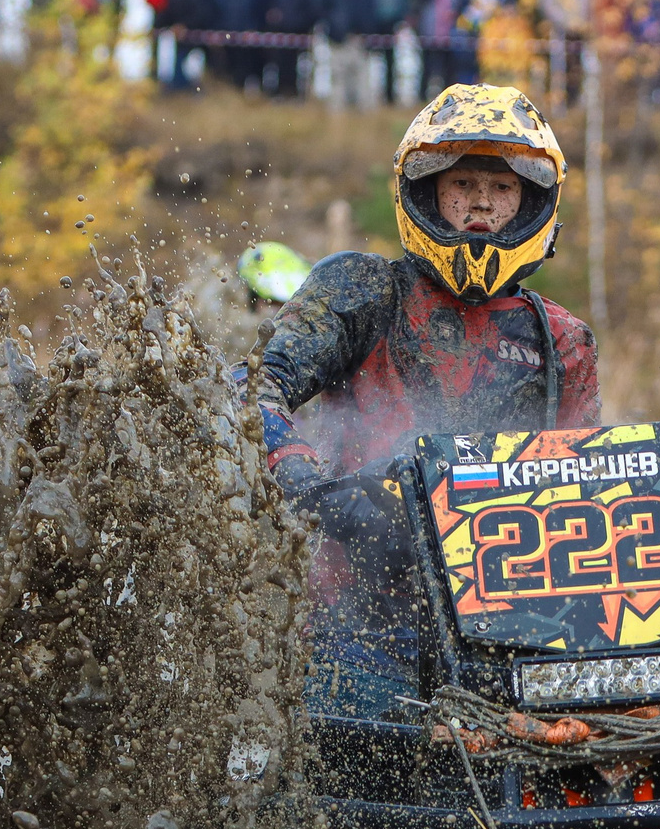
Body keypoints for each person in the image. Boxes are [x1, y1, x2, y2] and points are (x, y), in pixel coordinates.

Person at [249, 87, 599, 720]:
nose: (482, 201)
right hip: (352, 619)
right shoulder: (363, 288)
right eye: (462, 181)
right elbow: (249, 389)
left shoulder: (563, 339)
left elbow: (583, 485)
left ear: (531, 202)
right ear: (429, 192)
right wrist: (311, 484)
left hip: (503, 636)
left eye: (503, 186)